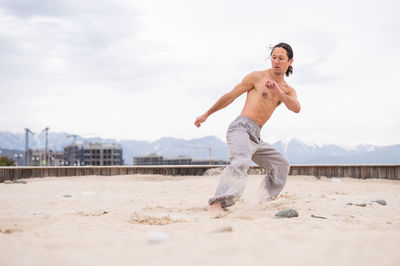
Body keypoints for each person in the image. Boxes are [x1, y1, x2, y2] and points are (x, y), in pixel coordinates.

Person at [194, 42, 301, 213]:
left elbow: (296, 108)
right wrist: (207, 114)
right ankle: (217, 203)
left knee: (281, 165)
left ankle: (259, 199)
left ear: (290, 61)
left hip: (256, 135)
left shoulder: (288, 90)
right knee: (241, 162)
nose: (276, 61)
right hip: (241, 128)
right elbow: (231, 95)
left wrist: (278, 91)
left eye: (281, 58)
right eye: (274, 57)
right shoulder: (257, 77)